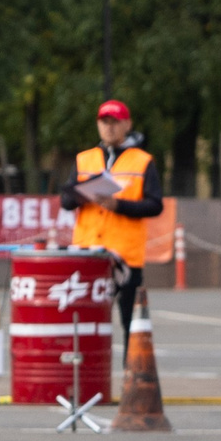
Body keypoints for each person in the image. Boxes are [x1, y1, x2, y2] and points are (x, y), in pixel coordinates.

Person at [59, 98, 163, 354]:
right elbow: (66, 202)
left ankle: (132, 378)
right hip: (88, 253)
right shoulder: (85, 159)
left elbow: (155, 205)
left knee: (130, 320)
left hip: (126, 254)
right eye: (104, 122)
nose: (109, 128)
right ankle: (87, 375)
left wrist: (120, 206)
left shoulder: (142, 161)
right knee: (83, 318)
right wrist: (83, 193)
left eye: (115, 122)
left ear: (127, 124)